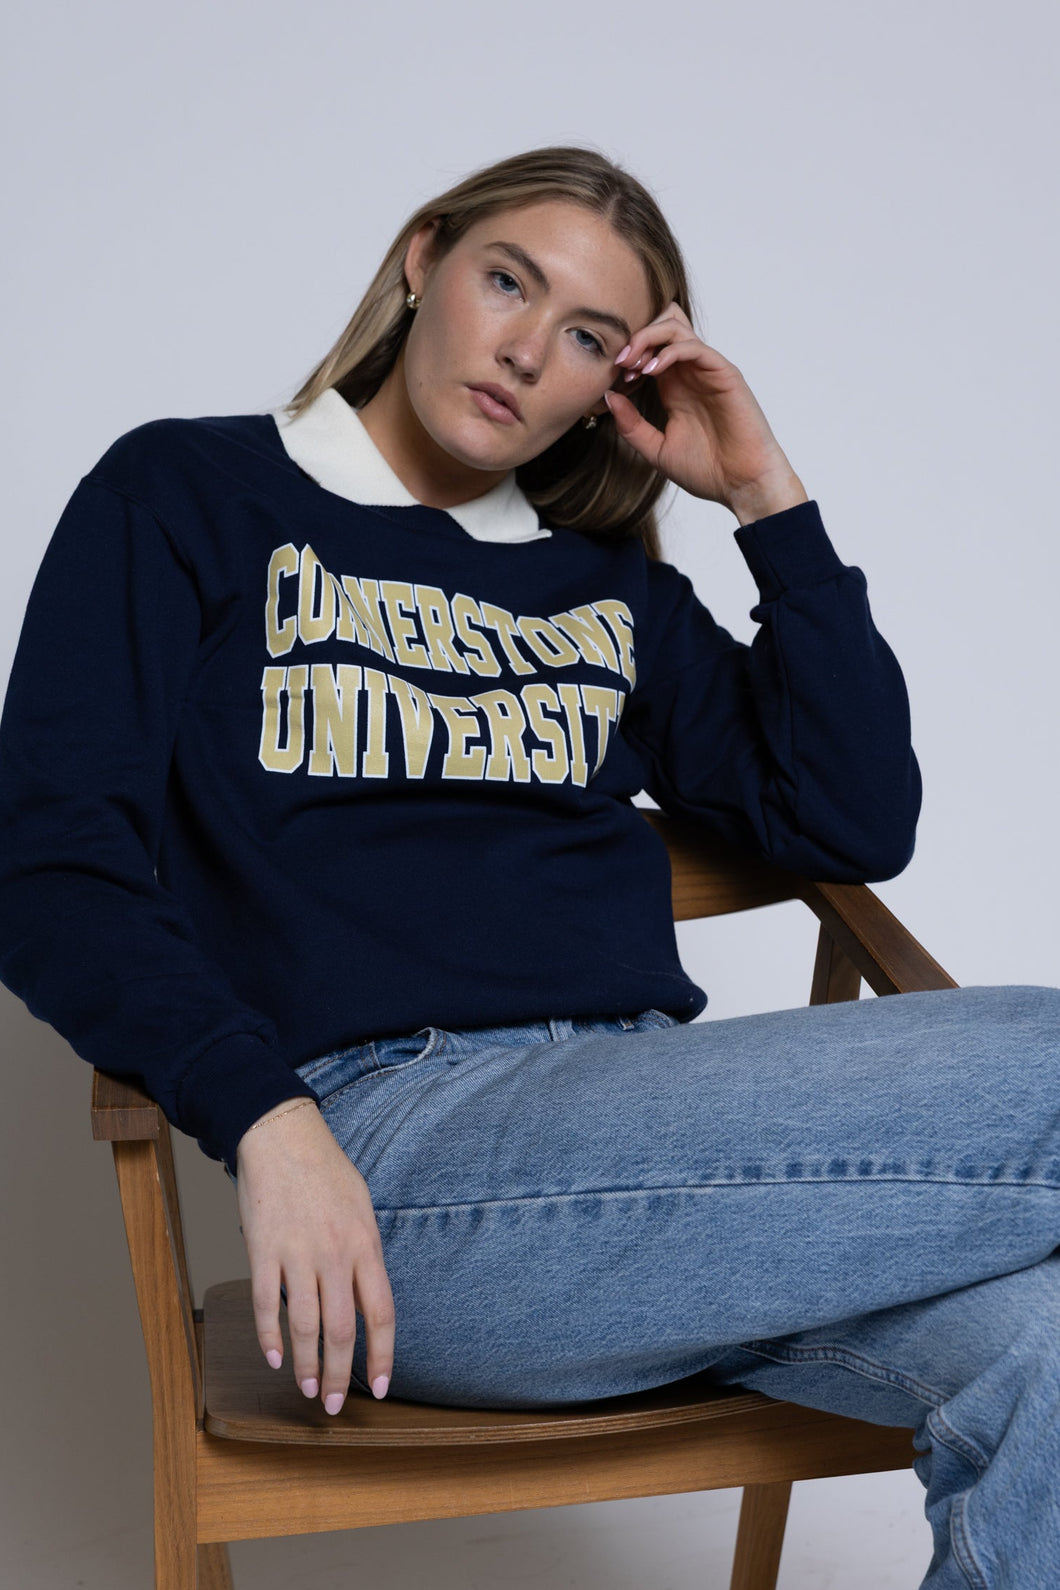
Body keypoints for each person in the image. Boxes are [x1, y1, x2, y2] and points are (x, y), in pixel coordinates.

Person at [1, 145, 1057, 1589]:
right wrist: (265, 1115)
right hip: (400, 1176)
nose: (523, 351)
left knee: (1048, 1352)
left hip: (653, 1153)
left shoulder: (602, 578)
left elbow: (853, 815)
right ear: (424, 256)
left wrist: (766, 496)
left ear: (613, 387)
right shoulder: (186, 493)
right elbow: (50, 859)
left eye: (587, 339)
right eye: (509, 281)